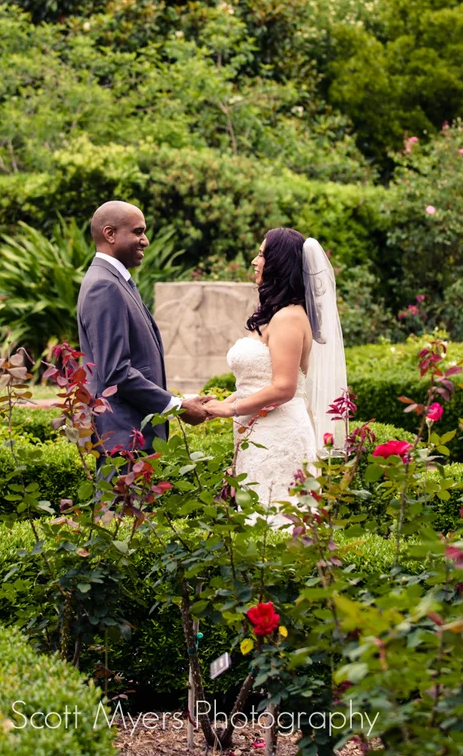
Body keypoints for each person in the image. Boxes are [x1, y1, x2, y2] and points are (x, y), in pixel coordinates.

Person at [200, 228, 348, 522]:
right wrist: (215, 405)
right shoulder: (277, 315)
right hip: (260, 432)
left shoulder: (289, 317)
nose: (255, 261)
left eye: (261, 255)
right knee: (258, 520)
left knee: (276, 520)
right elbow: (260, 381)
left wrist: (230, 410)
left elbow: (284, 387)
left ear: (279, 263)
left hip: (280, 436)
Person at [76, 200, 210, 458]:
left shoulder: (116, 281)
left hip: (132, 436)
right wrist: (177, 406)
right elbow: (116, 372)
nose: (145, 241)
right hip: (123, 439)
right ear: (110, 234)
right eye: (138, 232)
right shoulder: (104, 286)